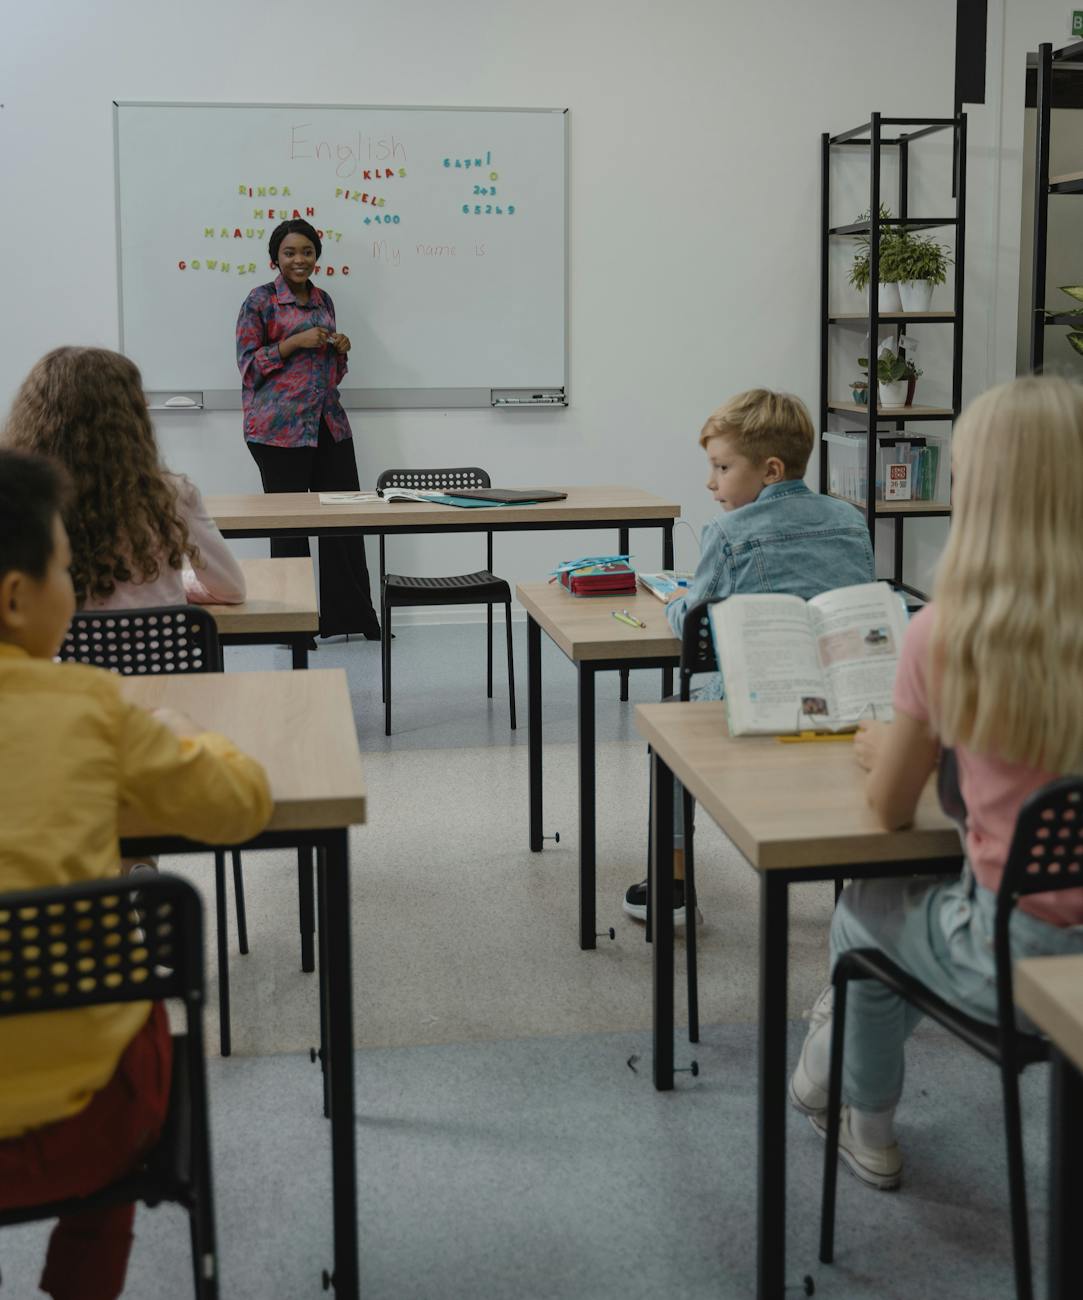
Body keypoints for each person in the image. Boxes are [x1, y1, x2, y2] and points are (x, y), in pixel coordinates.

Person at [789, 375, 1083, 1192]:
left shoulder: (947, 635)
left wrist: (886, 746)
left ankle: (864, 1121)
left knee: (868, 914)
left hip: (1022, 963)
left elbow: (886, 812)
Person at [0, 449, 273, 1300]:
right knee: (132, 1007)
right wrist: (179, 728)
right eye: (67, 572)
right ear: (15, 597)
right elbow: (239, 806)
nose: (74, 591)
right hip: (92, 1127)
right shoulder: (87, 706)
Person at [622, 389, 875, 924]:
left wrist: (673, 600)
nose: (711, 483)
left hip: (761, 698)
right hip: (847, 698)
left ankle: (672, 881)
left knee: (671, 719)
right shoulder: (851, 520)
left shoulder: (728, 532)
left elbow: (699, 626)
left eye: (721, 467)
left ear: (771, 470)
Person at [3, 346, 246, 613]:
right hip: (159, 654)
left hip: (57, 653)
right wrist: (173, 586)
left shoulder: (20, 498)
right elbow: (231, 589)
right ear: (130, 419)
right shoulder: (171, 494)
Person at [236, 217, 381, 640]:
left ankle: (349, 619)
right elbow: (248, 367)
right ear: (275, 258)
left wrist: (340, 349)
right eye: (290, 252)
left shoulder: (323, 300)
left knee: (344, 522)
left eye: (307, 252)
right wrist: (294, 343)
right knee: (290, 530)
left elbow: (328, 376)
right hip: (276, 431)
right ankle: (291, 627)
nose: (299, 259)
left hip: (327, 425)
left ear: (317, 256)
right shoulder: (259, 302)